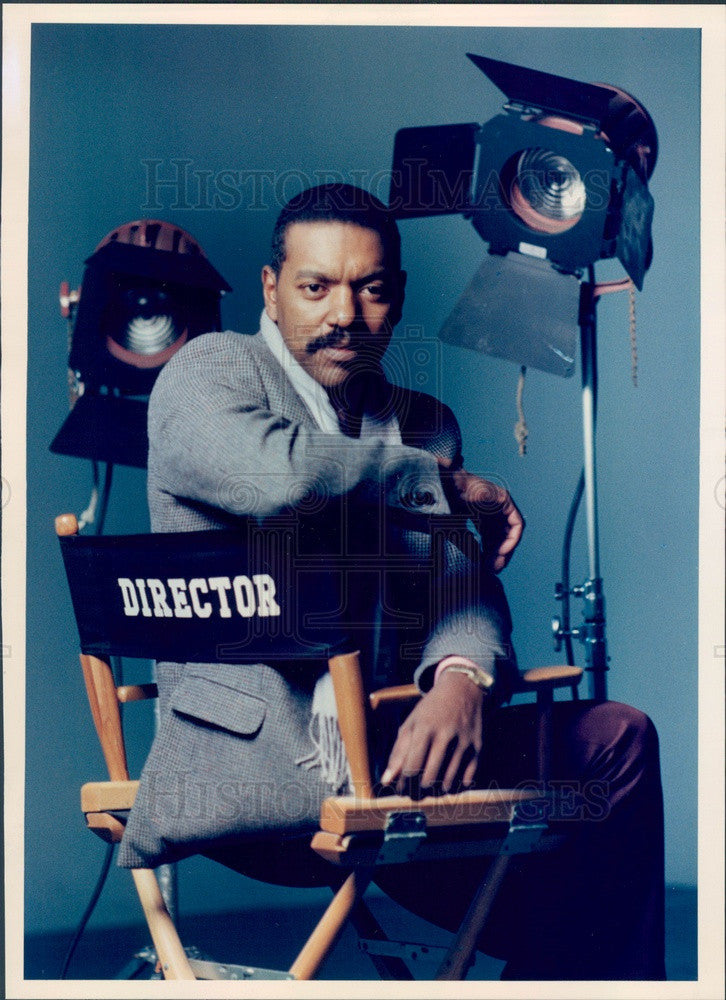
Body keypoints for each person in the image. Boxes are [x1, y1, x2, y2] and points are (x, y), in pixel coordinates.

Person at [119, 184, 665, 980]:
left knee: (616, 747)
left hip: (404, 757)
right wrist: (446, 485)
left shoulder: (424, 422)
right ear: (271, 290)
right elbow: (274, 473)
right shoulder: (208, 372)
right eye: (315, 287)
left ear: (397, 296)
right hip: (262, 774)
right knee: (584, 894)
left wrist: (461, 680)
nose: (344, 314)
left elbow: (459, 594)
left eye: (369, 289)